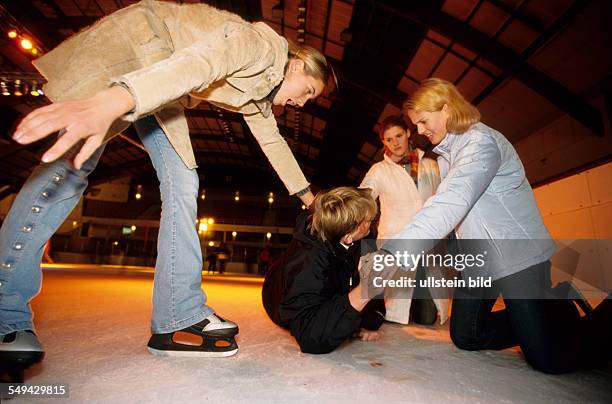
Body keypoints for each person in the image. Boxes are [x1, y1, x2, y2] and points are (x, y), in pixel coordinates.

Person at [0, 0, 333, 371]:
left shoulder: (261, 92)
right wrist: (113, 100)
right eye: (308, 91)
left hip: (163, 83)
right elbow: (198, 64)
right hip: (139, 53)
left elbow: (272, 140)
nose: (302, 103)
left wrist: (307, 196)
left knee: (182, 180)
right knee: (72, 164)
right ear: (298, 65)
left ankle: (176, 316)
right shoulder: (259, 46)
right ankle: (3, 307)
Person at [374, 78, 611, 374]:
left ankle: (577, 317)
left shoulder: (481, 144)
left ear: (446, 108)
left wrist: (395, 252)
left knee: (549, 358)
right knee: (466, 335)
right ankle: (549, 311)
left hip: (516, 258)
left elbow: (450, 203)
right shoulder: (448, 155)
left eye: (422, 121)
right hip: (479, 262)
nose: (419, 131)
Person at [262, 187, 388, 354]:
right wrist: (364, 293)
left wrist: (371, 319)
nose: (372, 222)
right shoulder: (308, 262)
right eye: (367, 220)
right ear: (348, 237)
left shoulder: (360, 233)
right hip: (278, 296)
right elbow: (310, 338)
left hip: (330, 281)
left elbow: (369, 270)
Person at [360, 115, 449, 326]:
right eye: (389, 139)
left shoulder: (430, 162)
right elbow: (363, 198)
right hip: (396, 244)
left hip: (428, 245)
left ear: (408, 133)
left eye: (399, 135)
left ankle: (418, 306)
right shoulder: (379, 170)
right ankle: (396, 309)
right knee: (396, 313)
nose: (395, 143)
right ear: (383, 143)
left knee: (427, 319)